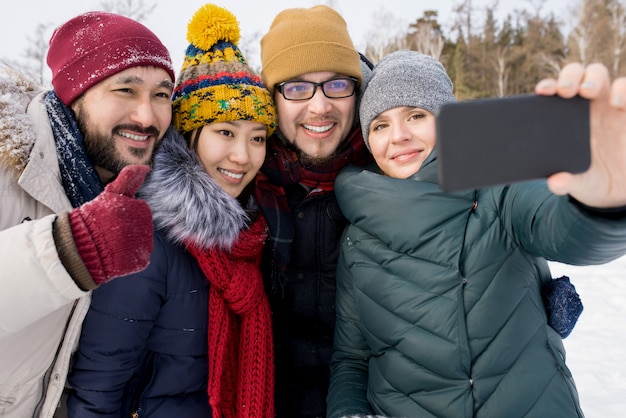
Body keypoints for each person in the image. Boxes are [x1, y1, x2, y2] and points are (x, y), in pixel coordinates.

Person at [326, 50, 626, 418]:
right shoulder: (358, 239)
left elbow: (565, 231)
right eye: (380, 125)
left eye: (416, 115)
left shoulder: (498, 187)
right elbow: (352, 358)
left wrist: (604, 201)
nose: (399, 135)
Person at [65, 4, 276, 418]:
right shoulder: (145, 241)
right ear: (189, 136)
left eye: (258, 137)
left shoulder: (247, 234)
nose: (242, 155)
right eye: (225, 133)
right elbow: (96, 392)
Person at [0, 11, 176, 417]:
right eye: (126, 90)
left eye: (162, 94)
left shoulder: (135, 193)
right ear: (74, 96)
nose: (147, 117)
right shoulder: (10, 170)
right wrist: (68, 249)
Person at [253, 5, 373, 417]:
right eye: (298, 88)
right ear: (272, 101)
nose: (321, 107)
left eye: (337, 84)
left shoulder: (395, 173)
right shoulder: (236, 185)